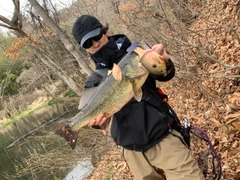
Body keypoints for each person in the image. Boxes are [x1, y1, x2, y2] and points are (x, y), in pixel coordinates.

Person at [72, 14, 205, 180]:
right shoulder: (94, 81)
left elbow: (164, 75)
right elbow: (98, 117)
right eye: (87, 43)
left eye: (96, 36)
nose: (94, 44)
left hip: (163, 140)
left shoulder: (136, 53)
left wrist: (165, 63)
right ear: (84, 49)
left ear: (105, 31)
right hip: (133, 154)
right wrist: (97, 124)